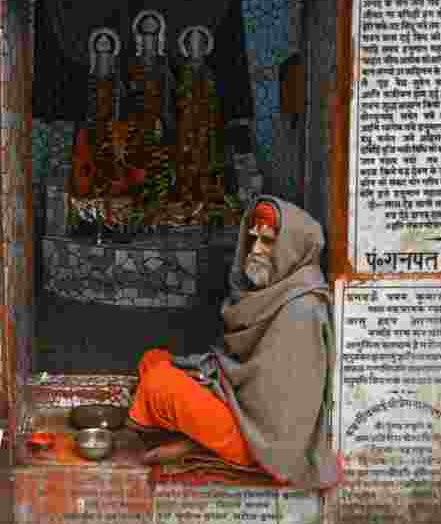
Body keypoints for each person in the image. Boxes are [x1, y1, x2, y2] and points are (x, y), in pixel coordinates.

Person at [124, 195, 342, 489]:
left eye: (268, 242)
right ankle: (198, 442)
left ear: (291, 249)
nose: (255, 250)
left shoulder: (301, 310)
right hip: (243, 411)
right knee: (153, 360)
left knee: (159, 384)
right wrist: (212, 379)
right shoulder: (275, 289)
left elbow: (275, 421)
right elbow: (246, 374)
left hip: (263, 446)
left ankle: (198, 446)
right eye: (253, 239)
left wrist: (213, 385)